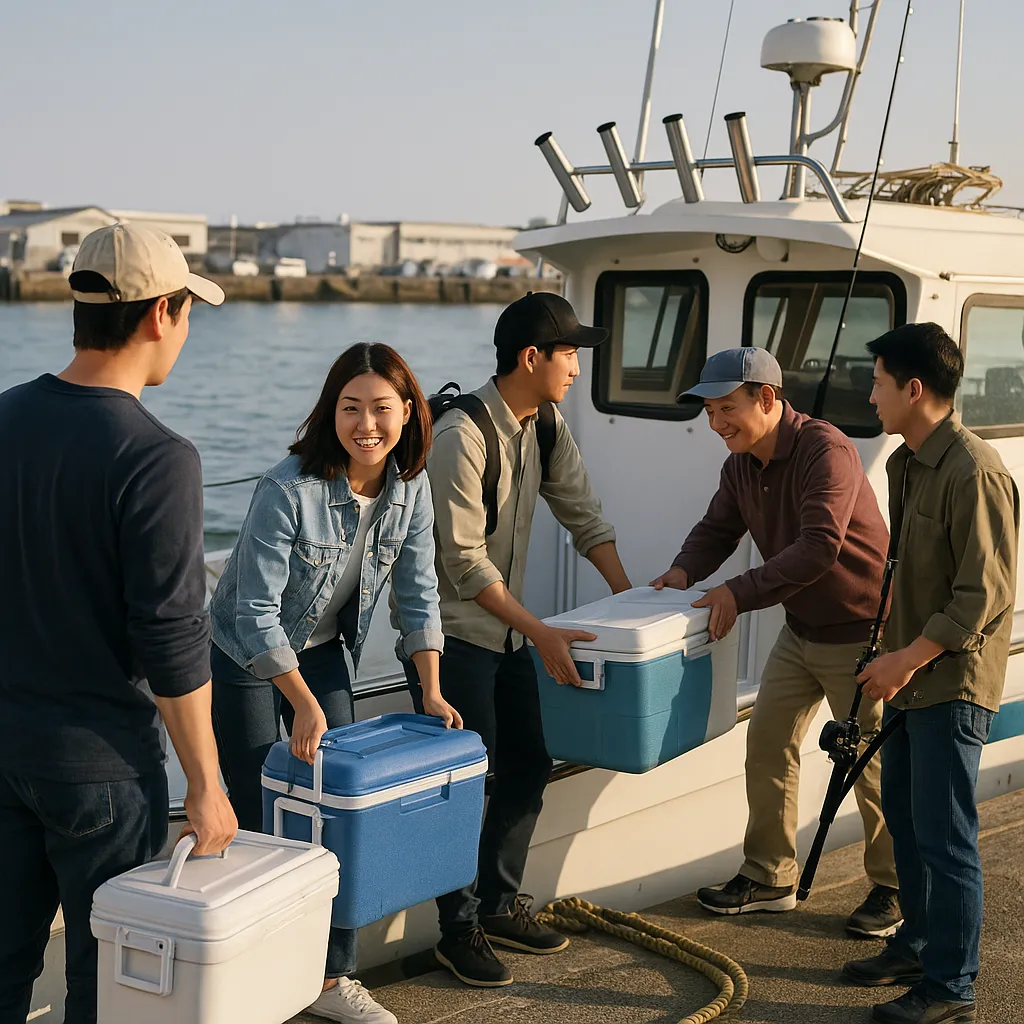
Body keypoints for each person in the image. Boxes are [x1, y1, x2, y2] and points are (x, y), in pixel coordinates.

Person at [0, 223, 237, 1024]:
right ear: (159, 313)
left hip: (3, 744)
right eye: (188, 309)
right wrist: (205, 787)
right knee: (108, 988)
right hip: (100, 770)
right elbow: (172, 638)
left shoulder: (4, 418)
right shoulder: (156, 456)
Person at [210, 342, 459, 1024]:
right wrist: (304, 709)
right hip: (243, 658)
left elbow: (419, 593)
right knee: (263, 814)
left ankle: (329, 979)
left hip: (324, 656)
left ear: (409, 412)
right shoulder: (287, 488)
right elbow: (252, 613)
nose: (366, 424)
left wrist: (429, 689)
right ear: (331, 412)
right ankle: (257, 973)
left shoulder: (411, 489)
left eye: (382, 408)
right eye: (351, 408)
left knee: (336, 819)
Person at [406, 291, 632, 988]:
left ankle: (501, 904)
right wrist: (545, 634)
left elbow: (582, 512)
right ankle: (458, 929)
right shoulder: (460, 436)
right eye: (569, 355)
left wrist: (636, 601)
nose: (575, 368)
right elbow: (463, 564)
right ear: (531, 357)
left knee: (531, 763)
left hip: (507, 635)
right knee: (465, 786)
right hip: (453, 642)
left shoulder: (545, 422)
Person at [650, 347, 902, 938]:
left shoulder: (826, 450)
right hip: (802, 627)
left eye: (726, 408)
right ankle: (769, 877)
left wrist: (735, 593)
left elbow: (820, 548)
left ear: (767, 398)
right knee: (766, 744)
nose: (717, 424)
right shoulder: (740, 464)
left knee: (870, 764)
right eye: (710, 411)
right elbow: (717, 528)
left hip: (863, 633)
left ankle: (895, 886)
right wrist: (682, 571)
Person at [842, 324, 1018, 1024]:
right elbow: (907, 577)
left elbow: (985, 595)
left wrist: (904, 659)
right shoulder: (905, 463)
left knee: (947, 838)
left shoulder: (976, 470)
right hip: (911, 676)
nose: (871, 392)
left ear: (914, 389)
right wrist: (886, 652)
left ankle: (952, 988)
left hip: (951, 682)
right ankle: (915, 945)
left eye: (879, 380)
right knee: (911, 826)